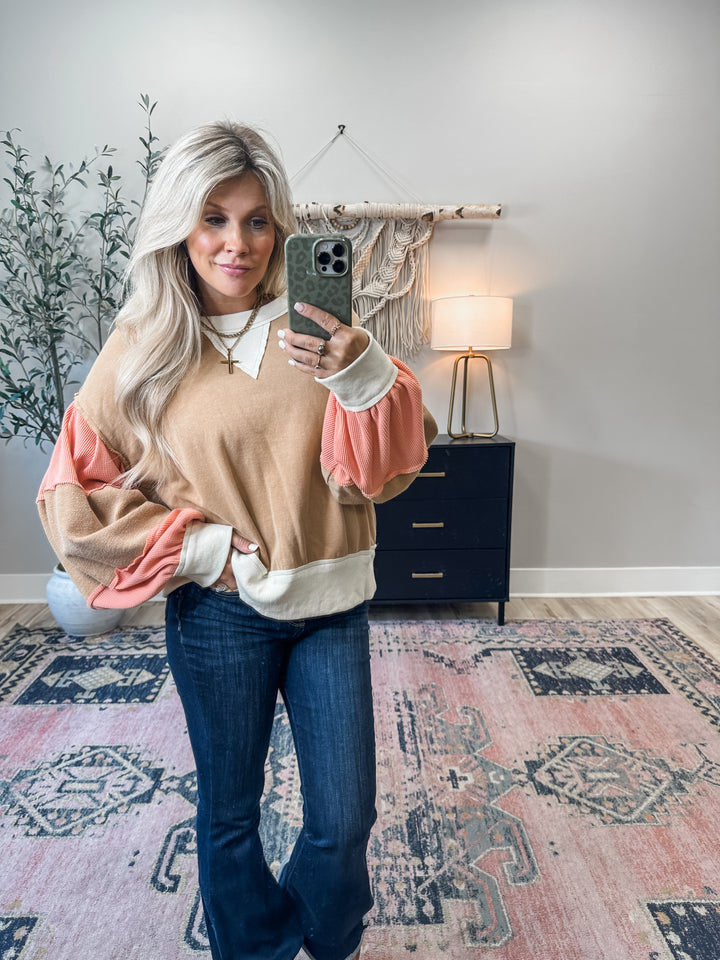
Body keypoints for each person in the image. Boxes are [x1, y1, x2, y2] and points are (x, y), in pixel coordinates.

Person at [37, 120, 437, 960]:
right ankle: (254, 947)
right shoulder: (144, 344)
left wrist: (358, 371)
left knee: (344, 819)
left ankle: (324, 937)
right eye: (213, 218)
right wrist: (203, 550)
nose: (238, 243)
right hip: (219, 614)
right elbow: (75, 491)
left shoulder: (321, 328)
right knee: (229, 813)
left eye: (257, 221)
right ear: (179, 227)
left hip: (331, 605)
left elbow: (388, 469)